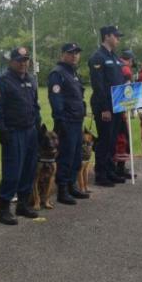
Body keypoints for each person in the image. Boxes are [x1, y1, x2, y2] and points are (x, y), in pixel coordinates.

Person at [0, 47, 42, 225]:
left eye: (26, 60)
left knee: (29, 169)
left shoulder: (30, 79)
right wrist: (2, 130)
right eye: (20, 60)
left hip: (30, 131)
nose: (23, 63)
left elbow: (35, 105)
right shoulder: (2, 81)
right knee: (12, 171)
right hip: (13, 132)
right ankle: (4, 209)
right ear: (11, 61)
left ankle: (23, 203)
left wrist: (38, 126)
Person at [49, 43, 91, 204]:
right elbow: (56, 100)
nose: (74, 56)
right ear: (63, 55)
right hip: (66, 122)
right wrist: (61, 121)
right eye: (70, 53)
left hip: (76, 120)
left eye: (77, 53)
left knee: (75, 156)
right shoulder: (57, 74)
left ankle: (72, 185)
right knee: (66, 156)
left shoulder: (73, 73)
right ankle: (62, 190)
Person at [88, 26, 127, 186]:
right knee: (104, 140)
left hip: (118, 104)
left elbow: (119, 81)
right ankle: (101, 174)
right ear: (106, 36)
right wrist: (104, 108)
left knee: (112, 140)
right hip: (105, 105)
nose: (118, 39)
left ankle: (110, 171)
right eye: (116, 36)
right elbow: (99, 85)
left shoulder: (115, 57)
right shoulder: (98, 57)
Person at [114, 49, 136, 179]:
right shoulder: (126, 69)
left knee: (116, 138)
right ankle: (120, 168)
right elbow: (128, 90)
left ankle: (116, 166)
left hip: (113, 105)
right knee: (122, 138)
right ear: (131, 60)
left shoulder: (116, 65)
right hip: (121, 108)